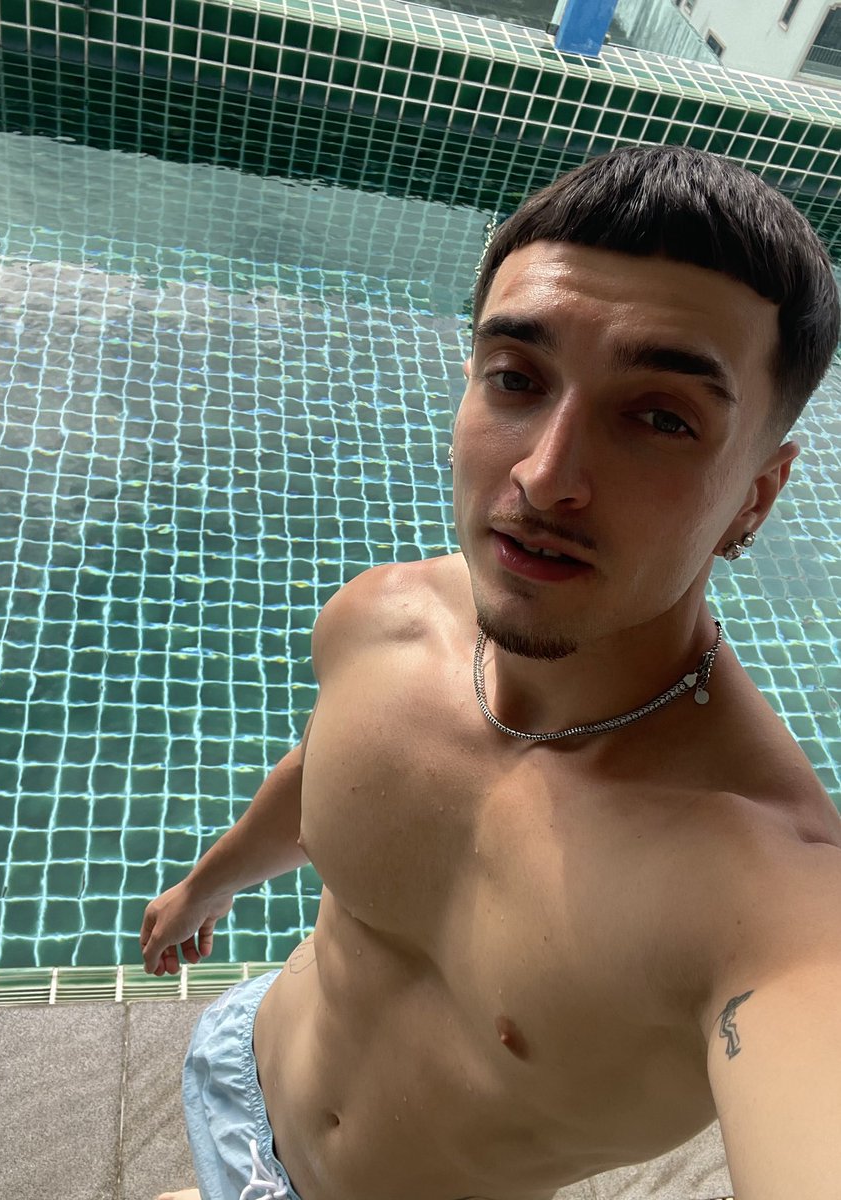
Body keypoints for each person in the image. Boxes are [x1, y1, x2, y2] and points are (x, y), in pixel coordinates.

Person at [141, 144, 841, 1200]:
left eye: (661, 417)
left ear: (756, 496)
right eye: (517, 378)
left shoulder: (767, 895)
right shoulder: (383, 622)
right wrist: (212, 882)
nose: (547, 477)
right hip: (241, 1075)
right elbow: (326, 772)